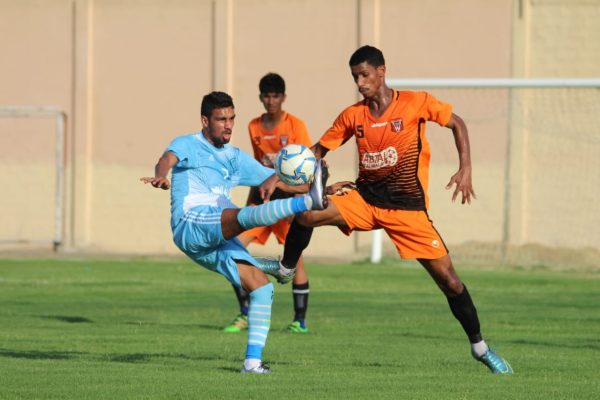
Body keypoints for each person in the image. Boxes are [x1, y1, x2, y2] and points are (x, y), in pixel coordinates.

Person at [277, 45, 513, 374]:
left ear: (382, 71)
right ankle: (287, 268)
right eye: (355, 77)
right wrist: (280, 173)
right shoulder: (352, 115)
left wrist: (466, 168)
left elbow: (457, 124)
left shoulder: (416, 102)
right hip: (364, 200)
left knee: (450, 282)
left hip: (407, 210)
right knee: (307, 214)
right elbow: (317, 151)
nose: (360, 83)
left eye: (365, 75)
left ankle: (480, 347)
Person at [140, 91, 327, 374]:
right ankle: (307, 203)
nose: (228, 125)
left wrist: (326, 189)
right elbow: (166, 159)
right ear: (205, 120)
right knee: (242, 216)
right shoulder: (188, 143)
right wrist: (161, 175)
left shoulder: (235, 158)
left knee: (262, 288)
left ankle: (252, 363)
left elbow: (276, 181)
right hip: (191, 222)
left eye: (231, 118)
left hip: (215, 238)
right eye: (221, 119)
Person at [223, 73, 313, 334]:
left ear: (283, 97)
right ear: (261, 98)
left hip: (288, 204)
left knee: (295, 261)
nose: (271, 101)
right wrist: (247, 205)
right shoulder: (254, 126)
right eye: (266, 96)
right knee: (233, 249)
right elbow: (256, 169)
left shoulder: (295, 126)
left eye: (275, 96)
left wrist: (298, 203)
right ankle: (244, 314)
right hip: (262, 202)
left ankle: (299, 321)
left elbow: (307, 167)